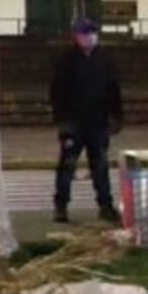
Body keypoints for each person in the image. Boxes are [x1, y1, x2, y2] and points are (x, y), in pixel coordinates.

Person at [49, 16, 123, 224]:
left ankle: (105, 205)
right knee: (67, 165)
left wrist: (117, 115)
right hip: (73, 122)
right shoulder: (66, 61)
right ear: (76, 36)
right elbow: (56, 92)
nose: (89, 37)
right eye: (85, 33)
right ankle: (61, 206)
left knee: (100, 165)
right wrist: (62, 119)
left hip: (98, 122)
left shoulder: (104, 60)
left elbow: (113, 89)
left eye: (92, 32)